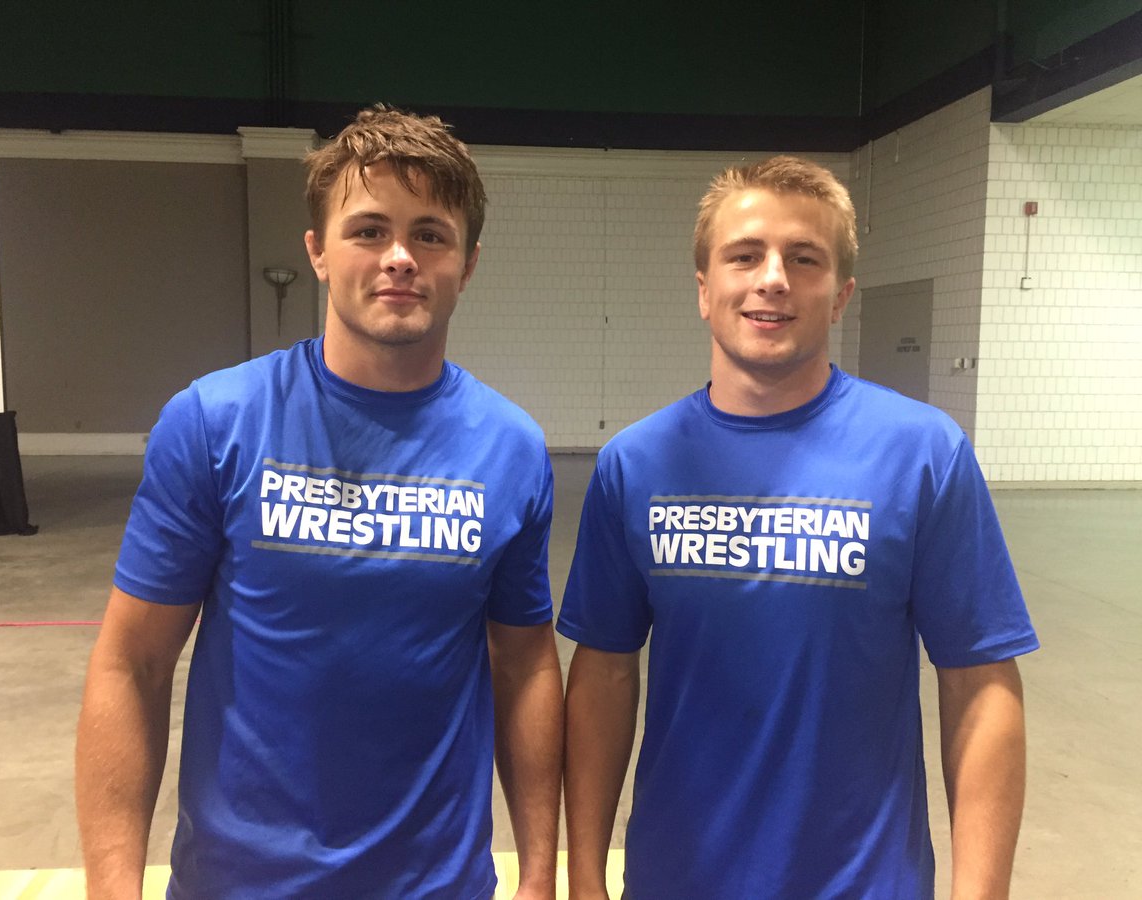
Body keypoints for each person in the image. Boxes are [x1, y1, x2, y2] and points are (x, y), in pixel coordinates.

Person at [76, 106, 563, 900]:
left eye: (430, 234)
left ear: (466, 263)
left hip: (435, 886)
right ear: (319, 253)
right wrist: (111, 888)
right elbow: (132, 663)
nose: (400, 257)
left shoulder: (510, 448)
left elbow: (527, 666)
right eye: (369, 230)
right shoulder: (215, 422)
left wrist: (539, 876)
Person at [558, 156, 1038, 899]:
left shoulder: (922, 454)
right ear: (703, 289)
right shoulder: (636, 463)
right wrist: (584, 872)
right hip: (675, 879)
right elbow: (605, 672)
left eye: (803, 258)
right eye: (744, 255)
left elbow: (979, 682)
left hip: (864, 882)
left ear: (841, 293)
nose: (772, 277)